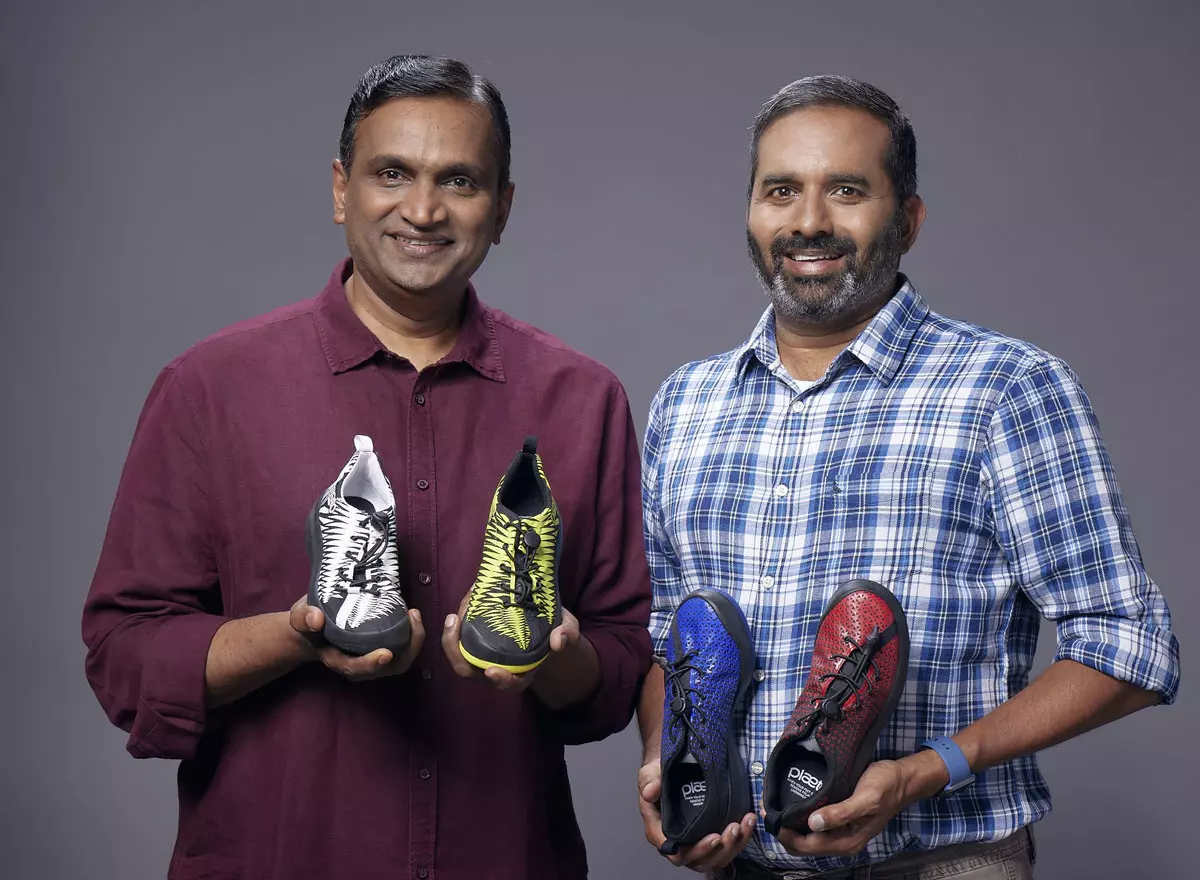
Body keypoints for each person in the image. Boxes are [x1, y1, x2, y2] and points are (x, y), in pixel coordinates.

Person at [82, 54, 652, 880]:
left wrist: (545, 653)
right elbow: (125, 656)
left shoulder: (582, 400)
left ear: (502, 209)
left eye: (459, 180)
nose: (422, 210)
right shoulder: (210, 388)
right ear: (341, 189)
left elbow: (619, 666)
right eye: (392, 173)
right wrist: (298, 634)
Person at [635, 75, 1180, 879]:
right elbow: (664, 642)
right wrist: (661, 761)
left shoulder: (1006, 389)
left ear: (909, 219)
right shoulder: (685, 403)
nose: (808, 221)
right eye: (781, 191)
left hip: (941, 861)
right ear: (751, 212)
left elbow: (1133, 648)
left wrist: (927, 770)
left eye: (846, 190)